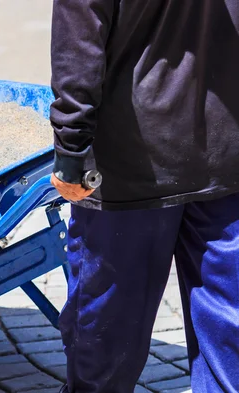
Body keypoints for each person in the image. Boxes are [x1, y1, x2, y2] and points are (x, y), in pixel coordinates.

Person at [48, 1, 239, 392]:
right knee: (229, 332)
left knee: (104, 338)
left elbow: (80, 39)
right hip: (224, 152)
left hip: (130, 167)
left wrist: (71, 149)